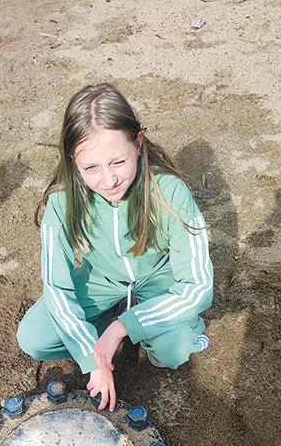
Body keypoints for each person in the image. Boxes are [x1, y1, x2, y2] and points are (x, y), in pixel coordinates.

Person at [16, 83, 213, 412]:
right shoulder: (61, 200)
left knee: (173, 352)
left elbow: (198, 287)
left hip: (158, 281)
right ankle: (109, 321)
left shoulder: (169, 191)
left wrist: (124, 327)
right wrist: (92, 358)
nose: (108, 181)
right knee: (33, 337)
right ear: (73, 161)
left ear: (137, 145)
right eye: (91, 168)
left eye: (118, 162)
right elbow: (57, 287)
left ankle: (138, 326)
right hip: (102, 280)